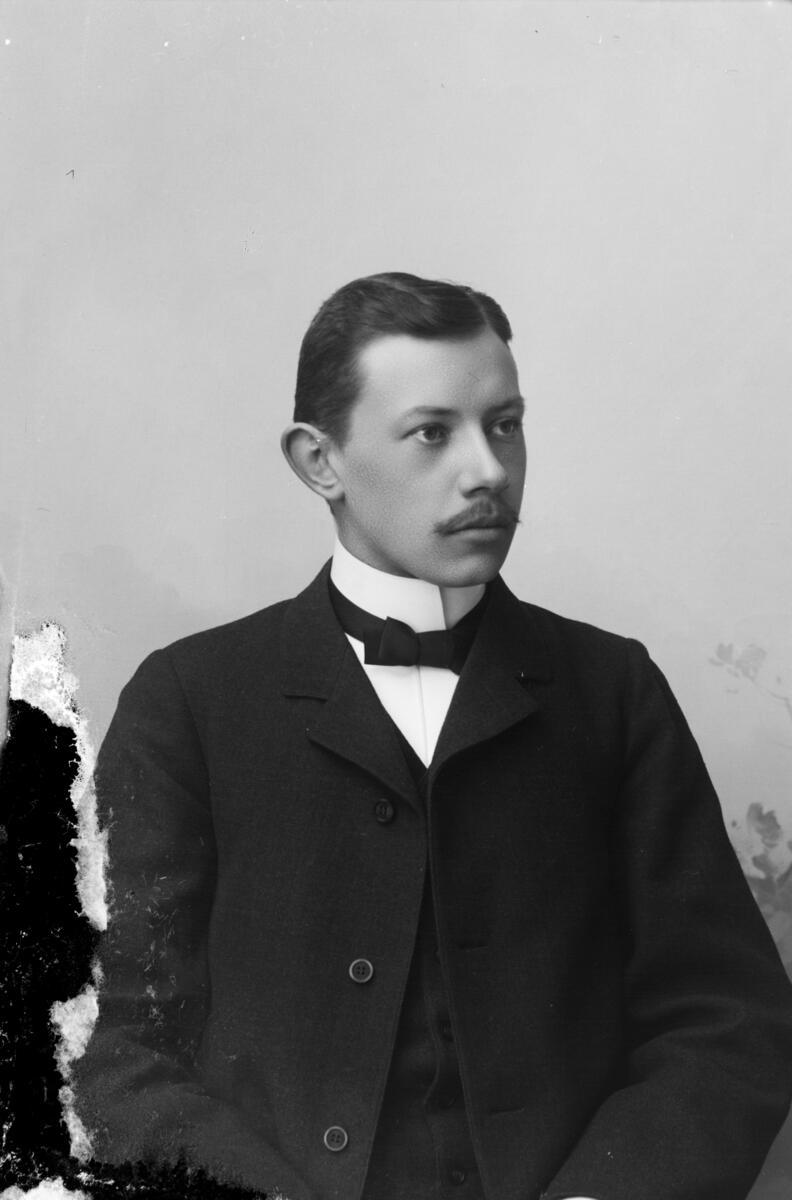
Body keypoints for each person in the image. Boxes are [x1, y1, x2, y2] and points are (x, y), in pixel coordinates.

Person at [74, 273, 792, 1200]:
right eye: (432, 433)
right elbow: (109, 1045)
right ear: (319, 461)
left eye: (505, 425)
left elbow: (729, 1017)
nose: (488, 471)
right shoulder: (191, 701)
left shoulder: (613, 691)